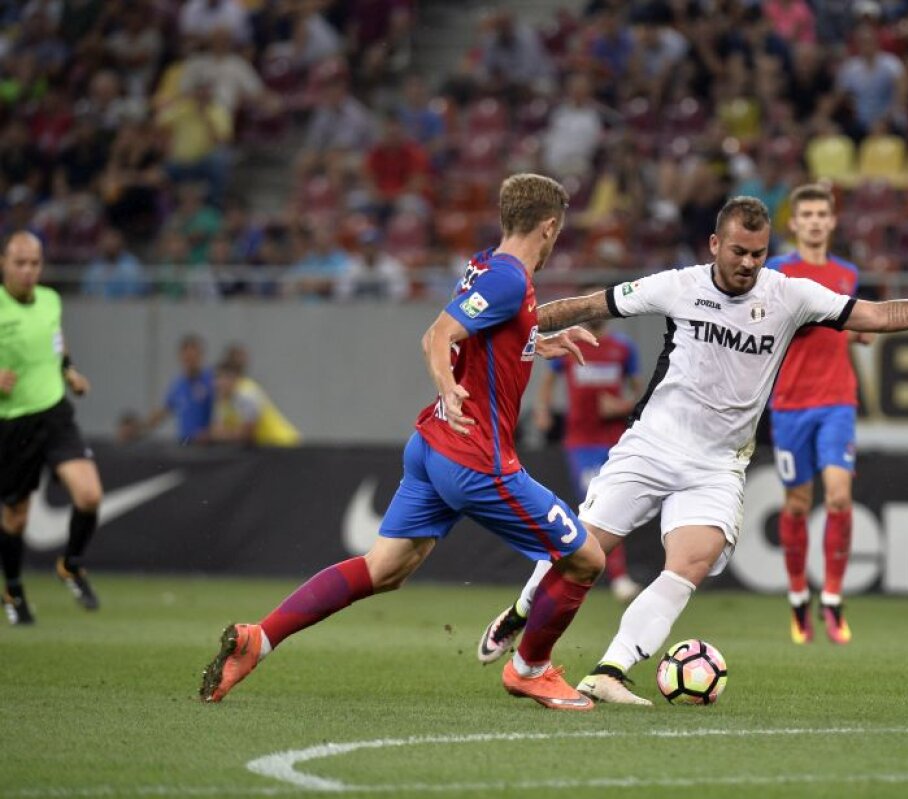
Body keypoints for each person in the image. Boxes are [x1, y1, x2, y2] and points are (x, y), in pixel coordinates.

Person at [478, 196, 908, 705]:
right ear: (715, 244)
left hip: (719, 463)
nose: (748, 263)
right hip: (652, 445)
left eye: (759, 253)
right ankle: (520, 612)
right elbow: (588, 306)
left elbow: (875, 315)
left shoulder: (791, 295)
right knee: (581, 549)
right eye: (739, 251)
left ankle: (610, 671)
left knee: (689, 565)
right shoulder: (678, 285)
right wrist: (503, 325)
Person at [199, 173, 607, 711]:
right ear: (550, 227)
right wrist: (448, 386)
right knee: (585, 558)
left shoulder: (487, 265)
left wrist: (539, 342)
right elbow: (439, 335)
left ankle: (260, 639)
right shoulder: (508, 279)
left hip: (432, 447)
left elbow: (486, 328)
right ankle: (530, 669)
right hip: (475, 460)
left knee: (382, 568)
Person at [766, 185, 873, 645]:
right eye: (805, 214)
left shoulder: (847, 273)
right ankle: (796, 597)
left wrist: (858, 334)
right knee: (795, 504)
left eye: (820, 214)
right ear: (794, 222)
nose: (813, 221)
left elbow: (849, 323)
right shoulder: (777, 271)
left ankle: (831, 596)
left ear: (832, 222)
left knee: (839, 496)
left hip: (837, 401)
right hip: (790, 403)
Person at [0, 232, 103, 625]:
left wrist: (70, 372)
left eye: (35, 263)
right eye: (20, 263)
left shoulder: (51, 301)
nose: (28, 271)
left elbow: (57, 345)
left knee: (90, 496)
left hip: (55, 414)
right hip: (12, 425)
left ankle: (71, 564)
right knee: (16, 520)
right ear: (4, 264)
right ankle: (13, 588)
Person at [532, 300, 642, 604]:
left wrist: (620, 406)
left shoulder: (623, 348)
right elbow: (548, 380)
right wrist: (543, 409)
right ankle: (618, 578)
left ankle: (586, 572)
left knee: (616, 507)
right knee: (598, 506)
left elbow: (639, 393)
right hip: (581, 442)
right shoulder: (568, 344)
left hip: (618, 441)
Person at [139, 334, 215, 444]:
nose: (190, 362)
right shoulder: (178, 385)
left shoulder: (212, 381)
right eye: (187, 358)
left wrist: (211, 432)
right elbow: (164, 411)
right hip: (185, 443)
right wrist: (139, 428)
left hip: (208, 446)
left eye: (193, 358)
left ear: (201, 356)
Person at [210, 359, 301, 447]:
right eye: (216, 378)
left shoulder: (247, 394)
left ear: (234, 378)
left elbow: (246, 435)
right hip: (265, 448)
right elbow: (216, 431)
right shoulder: (222, 399)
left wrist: (224, 434)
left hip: (283, 444)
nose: (217, 383)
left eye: (221, 378)